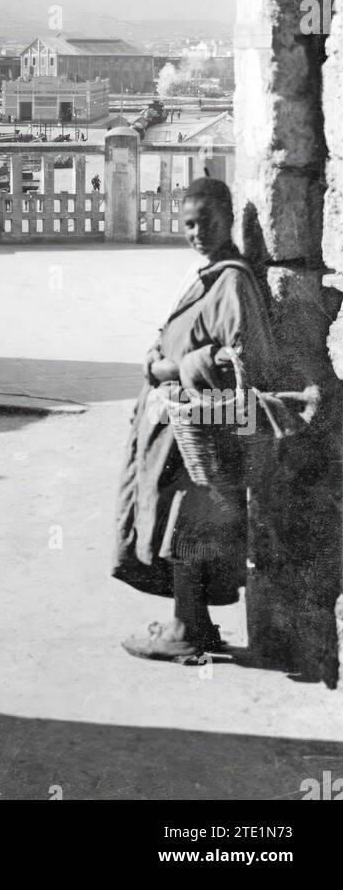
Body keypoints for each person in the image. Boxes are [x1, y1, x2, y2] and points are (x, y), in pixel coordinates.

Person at [113, 177, 276, 662]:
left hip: (203, 430)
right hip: (174, 427)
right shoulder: (201, 273)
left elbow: (249, 361)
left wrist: (172, 368)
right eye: (188, 223)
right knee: (176, 524)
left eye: (208, 221)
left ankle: (186, 629)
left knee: (184, 529)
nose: (197, 231)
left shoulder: (231, 281)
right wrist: (155, 355)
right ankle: (195, 623)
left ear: (228, 220)